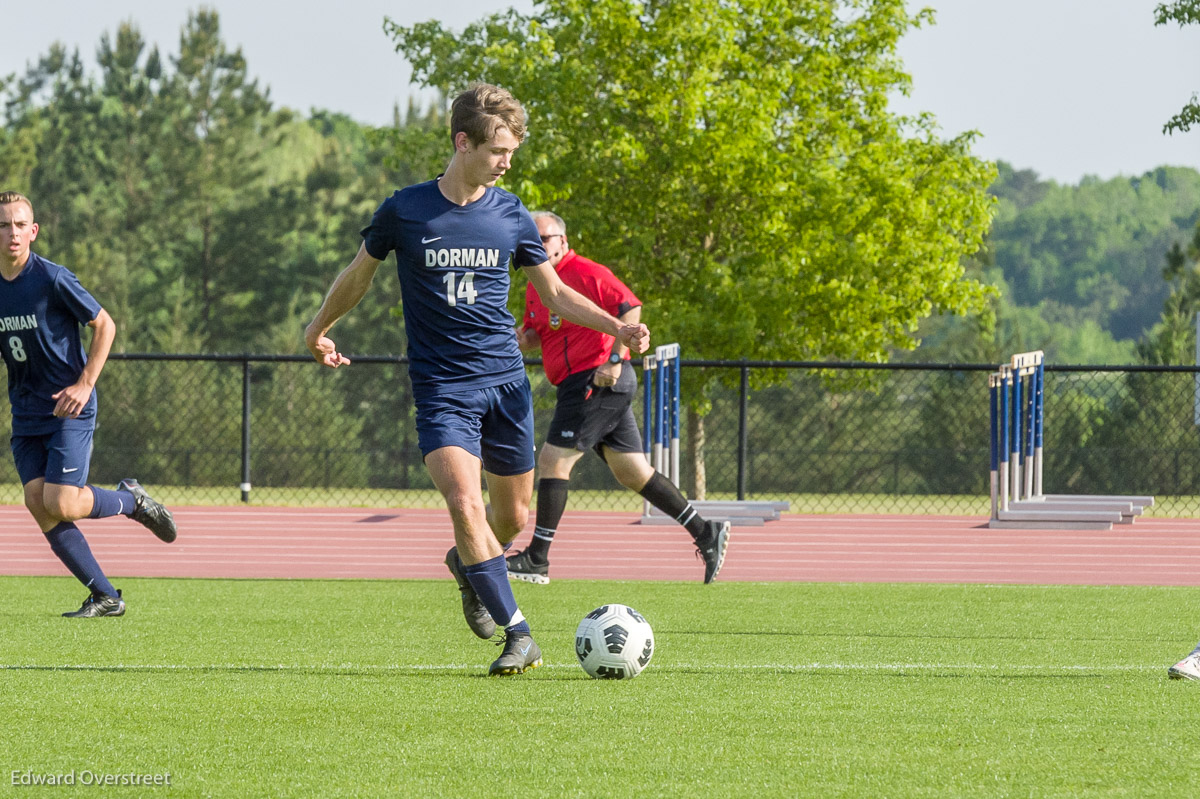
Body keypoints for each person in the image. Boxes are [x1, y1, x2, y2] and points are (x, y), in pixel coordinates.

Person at [304, 84, 650, 676]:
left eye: (512, 151)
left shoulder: (511, 212)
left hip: (506, 386)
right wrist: (318, 329)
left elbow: (558, 295)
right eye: (498, 150)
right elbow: (358, 275)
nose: (507, 161)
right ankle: (519, 634)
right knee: (464, 502)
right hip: (443, 389)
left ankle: (467, 564)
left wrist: (617, 329)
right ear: (463, 142)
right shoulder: (405, 210)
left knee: (512, 520)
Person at [506, 211, 730, 586]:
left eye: (544, 238)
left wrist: (614, 358)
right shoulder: (536, 283)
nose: (538, 245)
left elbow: (630, 307)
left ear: (563, 241)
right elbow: (535, 334)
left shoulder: (588, 271)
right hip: (580, 383)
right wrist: (510, 337)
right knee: (633, 472)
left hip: (596, 378)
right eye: (532, 239)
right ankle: (707, 533)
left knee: (552, 461)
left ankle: (537, 559)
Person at [0, 192, 178, 617]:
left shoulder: (52, 278)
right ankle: (105, 596)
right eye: (4, 225)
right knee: (38, 502)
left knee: (61, 502)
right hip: (26, 412)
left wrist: (85, 383)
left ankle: (131, 500)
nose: (12, 233)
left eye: (20, 225)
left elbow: (104, 324)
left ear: (34, 231)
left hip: (69, 405)